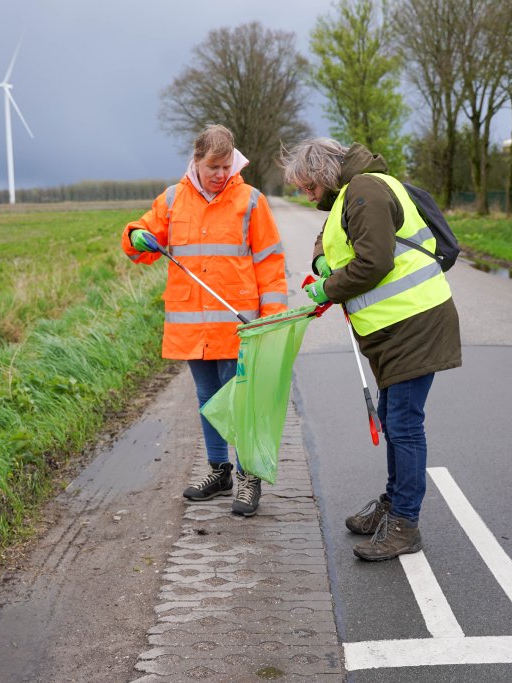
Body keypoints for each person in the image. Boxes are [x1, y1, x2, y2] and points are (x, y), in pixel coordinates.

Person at [280, 138, 461, 560]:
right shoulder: (353, 193)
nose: (306, 196)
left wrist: (327, 286)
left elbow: (374, 262)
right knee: (393, 418)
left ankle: (404, 524)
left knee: (404, 424)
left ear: (324, 173)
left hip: (414, 324)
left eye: (307, 186)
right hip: (394, 330)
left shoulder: (364, 190)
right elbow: (334, 243)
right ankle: (394, 504)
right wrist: (322, 263)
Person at [122, 124, 288, 516]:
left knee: (241, 403)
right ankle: (219, 471)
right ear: (196, 161)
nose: (219, 173)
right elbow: (139, 242)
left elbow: (270, 262)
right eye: (213, 166)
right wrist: (136, 236)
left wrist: (272, 317)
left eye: (225, 165)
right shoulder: (173, 199)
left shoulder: (250, 201)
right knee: (208, 399)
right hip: (192, 325)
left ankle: (250, 477)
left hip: (237, 323)